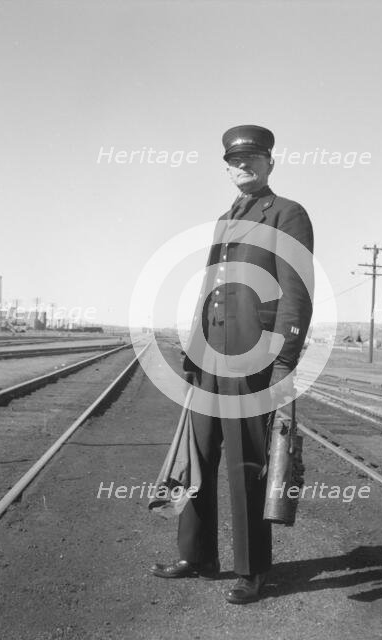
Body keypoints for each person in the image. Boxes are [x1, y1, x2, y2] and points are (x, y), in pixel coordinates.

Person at [151, 125, 314, 604]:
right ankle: (196, 555)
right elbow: (211, 291)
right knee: (197, 457)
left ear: (269, 164)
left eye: (253, 160)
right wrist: (193, 350)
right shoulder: (225, 219)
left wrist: (284, 358)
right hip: (209, 362)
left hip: (255, 362)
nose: (243, 168)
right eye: (235, 162)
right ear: (226, 168)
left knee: (247, 465)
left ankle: (253, 570)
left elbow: (296, 291)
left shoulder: (287, 213)